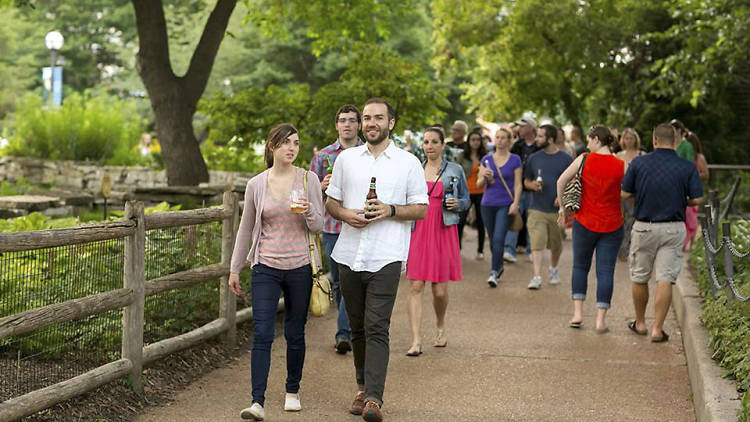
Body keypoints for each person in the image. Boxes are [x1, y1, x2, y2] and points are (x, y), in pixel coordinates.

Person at [325, 98, 428, 422]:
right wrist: (345, 214)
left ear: (391, 123)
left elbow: (422, 208)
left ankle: (374, 398)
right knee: (356, 327)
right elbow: (332, 202)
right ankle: (361, 386)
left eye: (378, 118)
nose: (371, 123)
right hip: (348, 254)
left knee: (376, 326)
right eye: (367, 118)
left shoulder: (408, 162)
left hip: (386, 255)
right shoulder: (346, 160)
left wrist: (390, 210)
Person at [228, 123, 325, 420]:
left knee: (295, 333)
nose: (292, 148)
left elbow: (319, 225)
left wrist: (308, 209)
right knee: (262, 333)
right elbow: (246, 228)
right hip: (266, 266)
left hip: (299, 266)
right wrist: (235, 268)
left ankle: (292, 391)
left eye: (295, 143)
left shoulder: (308, 180)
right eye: (285, 143)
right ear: (272, 146)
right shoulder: (257, 184)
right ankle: (257, 402)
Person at [622, 123, 703, 342]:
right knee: (665, 278)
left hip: (644, 226)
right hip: (673, 227)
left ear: (654, 140)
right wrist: (682, 199)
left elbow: (625, 192)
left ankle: (640, 323)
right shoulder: (686, 167)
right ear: (676, 142)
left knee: (640, 277)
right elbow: (697, 198)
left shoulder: (639, 163)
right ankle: (657, 329)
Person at [405, 127, 469, 356]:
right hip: (418, 229)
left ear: (443, 145)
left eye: (434, 142)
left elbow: (466, 200)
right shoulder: (414, 169)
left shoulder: (455, 169)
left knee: (439, 291)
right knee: (415, 286)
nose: (429, 146)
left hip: (443, 230)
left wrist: (458, 204)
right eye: (426, 142)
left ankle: (440, 325)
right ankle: (415, 341)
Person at [556, 125, 624, 333]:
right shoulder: (621, 164)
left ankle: (577, 313)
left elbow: (561, 181)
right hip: (612, 224)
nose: (587, 144)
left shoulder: (584, 159)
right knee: (605, 271)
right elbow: (629, 191)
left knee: (580, 267)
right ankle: (600, 320)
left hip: (585, 221)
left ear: (596, 139)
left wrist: (562, 208)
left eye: (588, 140)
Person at [310, 104, 364, 354]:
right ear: (337, 125)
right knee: (339, 282)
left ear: (359, 125)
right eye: (343, 120)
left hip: (360, 224)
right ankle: (354, 325)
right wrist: (321, 186)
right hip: (332, 226)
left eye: (352, 120)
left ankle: (343, 333)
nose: (347, 124)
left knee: (352, 278)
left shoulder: (369, 153)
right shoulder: (324, 156)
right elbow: (309, 193)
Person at [524, 124, 573, 289]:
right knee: (537, 242)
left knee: (556, 243)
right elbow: (526, 181)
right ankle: (536, 276)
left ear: (550, 139)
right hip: (536, 207)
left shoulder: (566, 158)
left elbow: (573, 182)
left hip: (557, 211)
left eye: (539, 136)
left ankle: (553, 269)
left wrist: (563, 197)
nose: (536, 139)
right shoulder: (534, 158)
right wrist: (532, 186)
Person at [478, 127, 522, 287]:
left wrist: (515, 204)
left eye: (504, 138)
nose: (500, 140)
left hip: (505, 204)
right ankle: (499, 265)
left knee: (498, 238)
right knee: (493, 240)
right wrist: (484, 177)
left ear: (509, 140)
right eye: (497, 137)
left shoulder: (515, 159)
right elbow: (478, 184)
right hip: (487, 204)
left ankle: (494, 272)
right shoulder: (486, 159)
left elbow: (518, 185)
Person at [505, 116, 539, 263]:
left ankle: (532, 250)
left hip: (534, 189)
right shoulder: (516, 146)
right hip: (517, 188)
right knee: (513, 216)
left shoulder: (539, 146)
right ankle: (509, 251)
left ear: (531, 128)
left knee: (533, 221)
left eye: (523, 126)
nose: (520, 129)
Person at [456, 129, 488, 259]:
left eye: (478, 140)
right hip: (466, 192)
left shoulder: (485, 156)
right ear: (468, 142)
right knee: (461, 220)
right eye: (473, 140)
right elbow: (456, 173)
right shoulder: (462, 156)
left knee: (481, 221)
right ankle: (457, 247)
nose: (475, 142)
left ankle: (480, 250)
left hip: (482, 192)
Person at [615, 128, 645, 261]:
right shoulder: (618, 155)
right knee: (622, 221)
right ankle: (623, 250)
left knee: (635, 221)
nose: (629, 140)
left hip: (638, 194)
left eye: (631, 138)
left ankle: (636, 250)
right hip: (621, 193)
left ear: (635, 139)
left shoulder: (642, 155)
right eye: (626, 138)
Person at [683, 132, 709, 251]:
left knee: (692, 217)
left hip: (694, 190)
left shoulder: (699, 157)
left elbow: (705, 174)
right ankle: (683, 243)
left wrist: (693, 176)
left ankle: (691, 245)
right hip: (682, 189)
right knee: (683, 216)